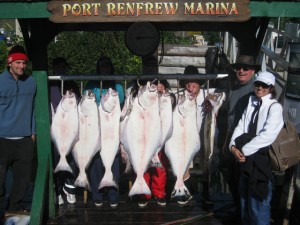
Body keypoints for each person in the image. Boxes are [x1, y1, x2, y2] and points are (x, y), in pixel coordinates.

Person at [229, 71, 283, 225]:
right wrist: (232, 147)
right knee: (245, 202)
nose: (260, 88)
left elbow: (268, 136)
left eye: (264, 85)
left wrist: (244, 150)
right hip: (245, 160)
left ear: (271, 88)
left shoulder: (275, 107)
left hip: (261, 161)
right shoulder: (251, 103)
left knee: (258, 205)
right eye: (257, 84)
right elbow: (240, 126)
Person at [129, 55, 172, 208]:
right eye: (147, 65)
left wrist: (164, 90)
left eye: (153, 65)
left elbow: (171, 99)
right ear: (143, 66)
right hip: (140, 129)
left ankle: (160, 193)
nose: (150, 68)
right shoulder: (136, 82)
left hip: (157, 129)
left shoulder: (163, 82)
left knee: (159, 165)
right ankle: (143, 194)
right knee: (142, 162)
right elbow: (130, 98)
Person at [220, 55, 261, 213]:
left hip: (247, 140)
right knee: (231, 175)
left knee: (246, 179)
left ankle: (246, 212)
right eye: (238, 68)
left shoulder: (257, 88)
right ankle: (239, 209)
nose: (241, 71)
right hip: (231, 137)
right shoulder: (234, 86)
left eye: (246, 68)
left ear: (253, 71)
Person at [0, 45, 36, 222]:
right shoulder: (0, 82)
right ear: (10, 63)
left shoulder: (31, 82)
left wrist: (33, 131)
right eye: (18, 62)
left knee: (23, 181)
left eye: (24, 63)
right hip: (2, 139)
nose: (22, 66)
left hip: (24, 139)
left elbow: (36, 109)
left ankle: (14, 212)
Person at [85, 56, 124, 208]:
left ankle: (113, 195)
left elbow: (119, 98)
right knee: (95, 161)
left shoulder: (117, 84)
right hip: (95, 128)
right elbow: (86, 95)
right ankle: (97, 194)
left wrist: (107, 97)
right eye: (102, 66)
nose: (105, 69)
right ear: (98, 68)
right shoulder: (91, 83)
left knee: (113, 161)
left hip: (111, 129)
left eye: (108, 66)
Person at [49, 57, 80, 206]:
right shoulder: (48, 83)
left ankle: (70, 188)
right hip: (56, 130)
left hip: (71, 129)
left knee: (72, 161)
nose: (62, 69)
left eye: (63, 66)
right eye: (58, 66)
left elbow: (78, 103)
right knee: (56, 161)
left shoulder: (72, 83)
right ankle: (57, 190)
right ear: (54, 68)